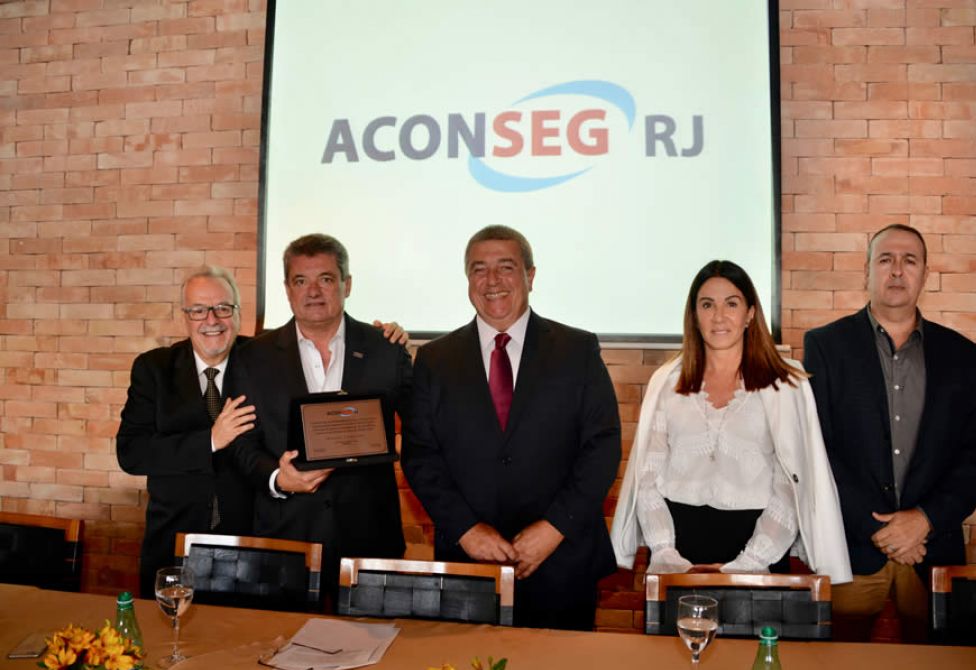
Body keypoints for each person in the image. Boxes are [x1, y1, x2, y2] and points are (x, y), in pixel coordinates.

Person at [402, 225, 621, 630]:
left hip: (562, 563)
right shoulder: (435, 360)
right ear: (467, 279)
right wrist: (467, 531)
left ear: (530, 276)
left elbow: (602, 447)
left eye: (506, 267)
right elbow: (420, 457)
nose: (492, 281)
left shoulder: (577, 350)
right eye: (478, 269)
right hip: (469, 566)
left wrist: (554, 528)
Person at [803, 224, 976, 642]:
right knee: (837, 664)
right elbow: (816, 448)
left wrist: (925, 520)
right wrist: (881, 531)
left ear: (925, 274)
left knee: (937, 663)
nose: (896, 270)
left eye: (909, 261)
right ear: (867, 270)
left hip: (933, 551)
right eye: (885, 259)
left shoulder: (963, 355)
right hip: (851, 548)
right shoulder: (825, 346)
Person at [611, 260, 851, 584]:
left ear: (750, 313)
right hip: (678, 551)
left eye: (732, 304)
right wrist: (667, 553)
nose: (719, 316)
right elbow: (647, 478)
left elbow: (791, 485)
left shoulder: (786, 384)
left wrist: (750, 562)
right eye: (707, 305)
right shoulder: (667, 382)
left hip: (760, 549)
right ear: (694, 315)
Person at [230, 234, 411, 590]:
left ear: (347, 284)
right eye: (301, 281)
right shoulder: (251, 357)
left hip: (370, 537)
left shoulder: (386, 350)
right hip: (286, 536)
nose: (313, 291)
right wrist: (277, 478)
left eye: (325, 279)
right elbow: (241, 444)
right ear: (287, 289)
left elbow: (423, 430)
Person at [117, 266, 257, 596]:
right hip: (173, 544)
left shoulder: (263, 360)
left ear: (238, 313)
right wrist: (210, 441)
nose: (212, 320)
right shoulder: (154, 369)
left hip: (250, 547)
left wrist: (376, 339)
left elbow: (312, 344)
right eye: (198, 310)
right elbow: (132, 453)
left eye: (223, 308)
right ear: (185, 317)